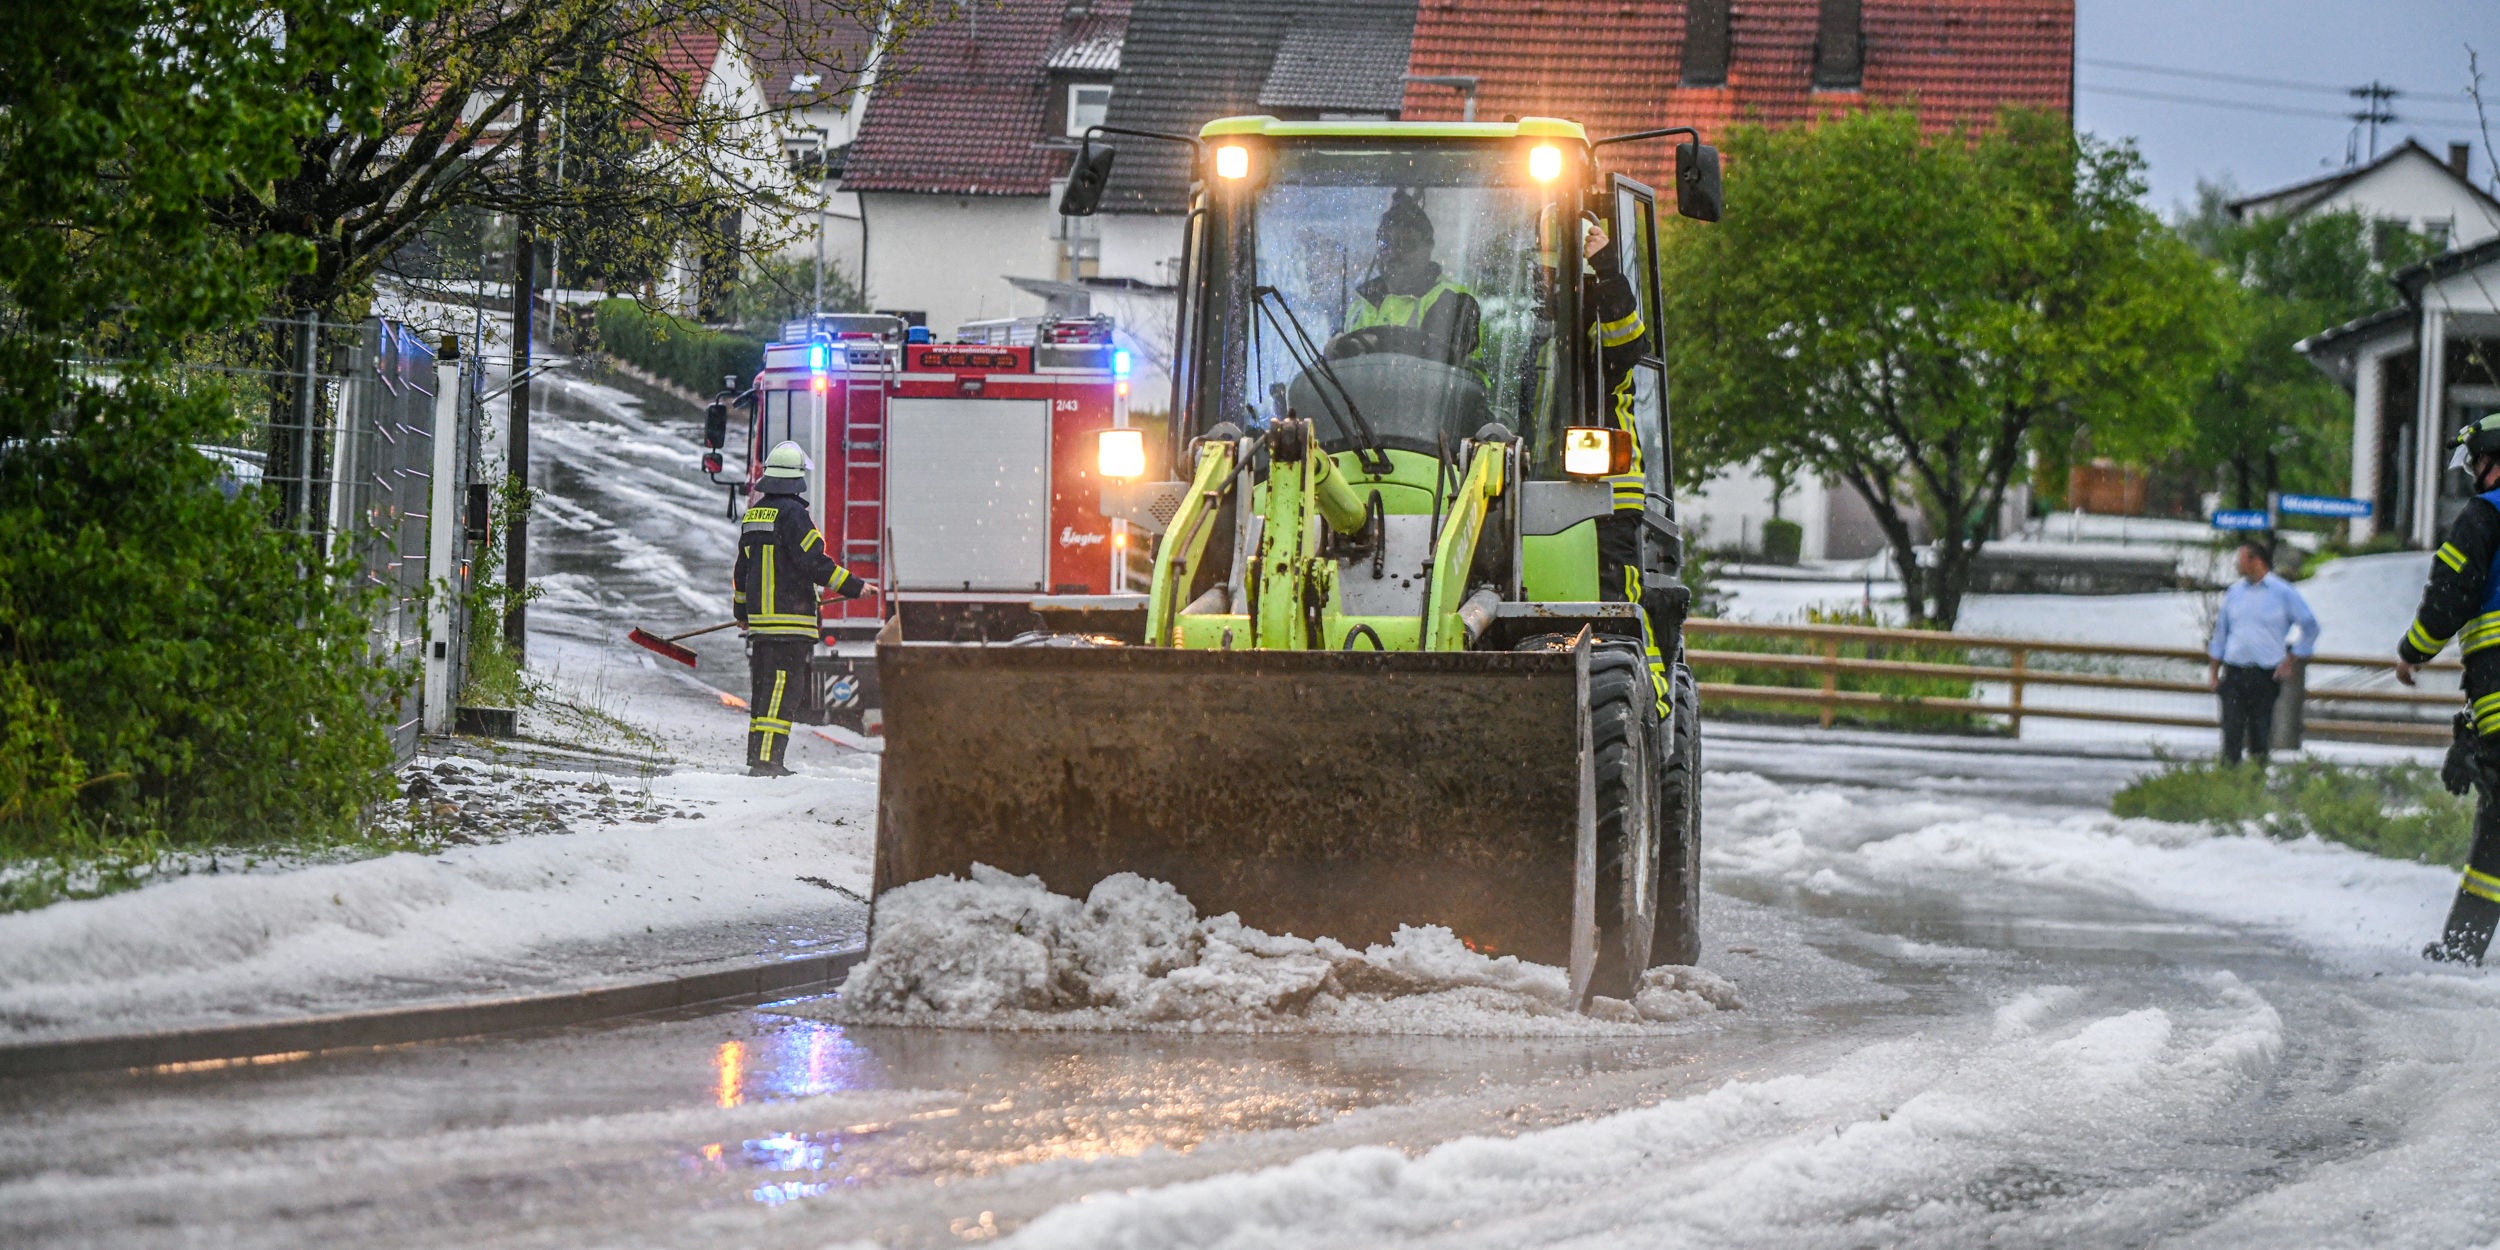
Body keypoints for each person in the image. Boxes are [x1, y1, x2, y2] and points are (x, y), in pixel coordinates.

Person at [2398, 414, 2500, 962]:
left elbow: (2450, 595)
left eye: (2477, 461)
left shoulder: (2485, 516)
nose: (2474, 473)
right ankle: (2462, 947)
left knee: (2498, 825)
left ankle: (2462, 950)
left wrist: (2413, 651)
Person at [734, 441, 870, 776]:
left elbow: (742, 571)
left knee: (765, 693)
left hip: (763, 628)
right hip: (789, 624)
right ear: (796, 479)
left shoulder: (754, 515)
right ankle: (768, 763)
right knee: (782, 693)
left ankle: (759, 757)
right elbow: (814, 563)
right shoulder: (795, 515)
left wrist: (742, 614)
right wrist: (855, 587)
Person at [2204, 540, 2318, 766]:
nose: (2237, 565)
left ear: (2256, 561)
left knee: (2260, 732)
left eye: (2241, 559)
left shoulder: (2283, 592)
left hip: (2265, 674)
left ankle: (2256, 778)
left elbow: (2310, 626)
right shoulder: (2234, 593)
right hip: (2235, 671)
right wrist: (2214, 672)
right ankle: (2228, 778)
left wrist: (2292, 658)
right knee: (2231, 732)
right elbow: (2220, 634)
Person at [1343, 190, 1482, 371]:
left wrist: (1371, 344)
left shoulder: (1453, 300)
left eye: (1406, 244)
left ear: (1428, 248)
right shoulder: (1359, 307)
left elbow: (1436, 367)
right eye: (1385, 243)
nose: (1393, 253)